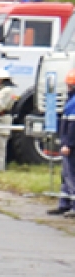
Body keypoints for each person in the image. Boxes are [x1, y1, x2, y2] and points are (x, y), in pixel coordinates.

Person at [52, 71, 75, 216]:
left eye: (69, 84)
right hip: (68, 143)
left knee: (71, 175)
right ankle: (65, 203)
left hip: (71, 146)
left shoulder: (73, 103)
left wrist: (69, 144)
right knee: (66, 175)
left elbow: (73, 126)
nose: (67, 86)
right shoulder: (71, 100)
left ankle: (72, 205)